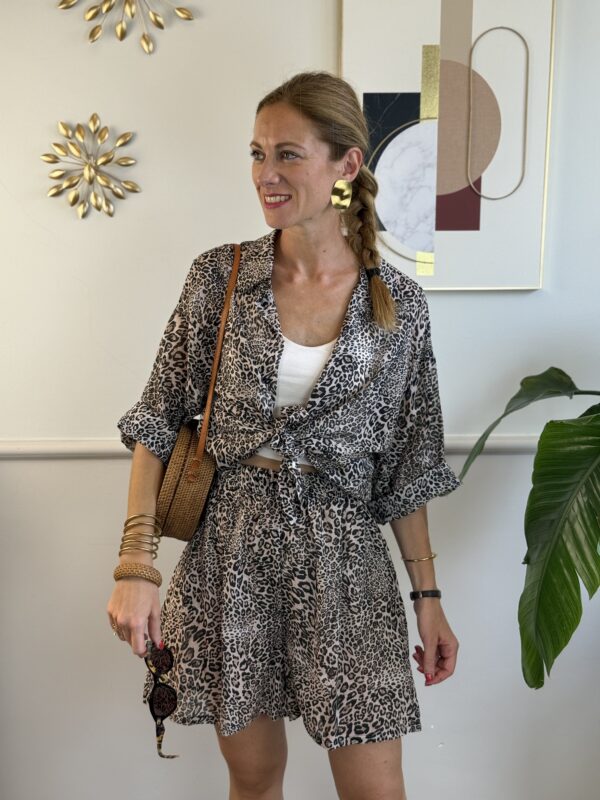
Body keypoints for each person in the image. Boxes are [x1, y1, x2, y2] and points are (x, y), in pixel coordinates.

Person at [107, 70, 462, 800]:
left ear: (345, 164)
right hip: (231, 558)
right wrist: (135, 566)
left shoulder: (398, 304)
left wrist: (427, 595)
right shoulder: (218, 278)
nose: (265, 174)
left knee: (376, 789)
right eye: (257, 153)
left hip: (349, 566)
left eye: (288, 154)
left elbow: (408, 467)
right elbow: (156, 419)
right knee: (255, 780)